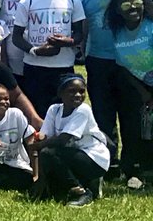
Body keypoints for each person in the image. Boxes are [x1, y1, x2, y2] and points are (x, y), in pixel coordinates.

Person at [74, 0, 153, 167]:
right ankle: (108, 162)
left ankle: (134, 163)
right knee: (103, 115)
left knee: (132, 113)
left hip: (131, 62)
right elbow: (82, 28)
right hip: (98, 60)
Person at [11, 0, 86, 116]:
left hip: (63, 67)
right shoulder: (27, 2)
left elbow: (80, 34)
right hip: (34, 68)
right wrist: (35, 51)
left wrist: (67, 42)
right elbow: (16, 37)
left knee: (64, 113)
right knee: (36, 114)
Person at [31, 74, 109, 207]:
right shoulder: (54, 110)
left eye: (82, 91)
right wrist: (40, 178)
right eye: (72, 91)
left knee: (50, 152)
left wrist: (36, 146)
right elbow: (45, 137)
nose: (78, 95)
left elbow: (62, 140)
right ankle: (87, 185)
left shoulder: (83, 110)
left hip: (94, 158)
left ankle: (81, 192)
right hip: (72, 155)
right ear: (60, 93)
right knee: (53, 192)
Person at [105, 0, 153, 187]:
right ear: (117, 10)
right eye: (126, 5)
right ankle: (141, 170)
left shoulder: (150, 27)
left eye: (136, 2)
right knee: (141, 128)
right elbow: (123, 68)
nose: (132, 8)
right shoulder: (117, 34)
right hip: (140, 86)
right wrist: (144, 94)